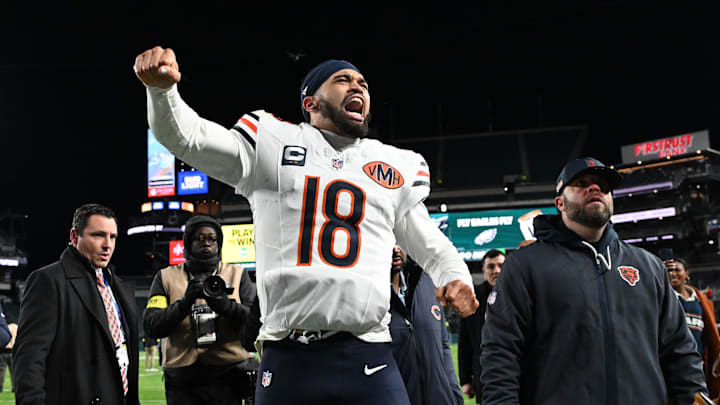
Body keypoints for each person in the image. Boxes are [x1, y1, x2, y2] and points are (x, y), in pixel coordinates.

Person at [134, 46, 477, 404]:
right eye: (342, 80)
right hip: (289, 355)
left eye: (363, 82)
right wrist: (161, 93)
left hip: (369, 354)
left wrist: (456, 275)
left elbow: (430, 245)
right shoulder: (273, 142)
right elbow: (190, 139)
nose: (357, 87)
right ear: (310, 102)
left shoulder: (390, 164)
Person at [480, 157, 708, 404]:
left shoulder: (649, 267)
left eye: (603, 185)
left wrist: (694, 398)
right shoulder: (526, 265)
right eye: (581, 183)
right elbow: (501, 351)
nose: (595, 188)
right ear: (560, 203)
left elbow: (680, 351)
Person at [13, 203, 140, 405]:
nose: (107, 244)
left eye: (113, 237)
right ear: (74, 237)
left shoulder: (117, 285)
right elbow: (29, 359)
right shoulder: (48, 280)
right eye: (98, 235)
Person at [143, 215, 258, 405]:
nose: (207, 243)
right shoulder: (165, 277)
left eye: (212, 239)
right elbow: (152, 325)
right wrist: (183, 304)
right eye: (200, 238)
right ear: (188, 242)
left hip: (229, 376)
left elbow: (255, 324)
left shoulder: (239, 274)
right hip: (183, 381)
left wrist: (226, 306)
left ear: (219, 244)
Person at [388, 245, 463, 405]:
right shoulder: (368, 298)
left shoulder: (427, 282)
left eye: (399, 240)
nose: (395, 248)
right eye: (388, 239)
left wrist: (454, 393)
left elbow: (443, 344)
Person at [665, 257, 720, 399]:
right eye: (669, 271)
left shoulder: (701, 301)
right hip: (675, 365)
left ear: (687, 274)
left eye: (677, 270)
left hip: (700, 364)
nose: (672, 274)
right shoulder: (665, 299)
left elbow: (710, 336)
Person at [458, 249, 505, 403]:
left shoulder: (519, 294)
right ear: (483, 270)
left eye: (500, 266)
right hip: (485, 376)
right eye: (491, 267)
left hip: (517, 373)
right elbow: (465, 341)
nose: (496, 271)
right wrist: (465, 379)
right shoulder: (473, 298)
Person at [0, 321, 16, 392]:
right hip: (12, 351)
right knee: (13, 371)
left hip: (3, 351)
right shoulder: (16, 327)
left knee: (1, 370)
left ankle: (0, 387)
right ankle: (14, 387)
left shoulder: (4, 328)